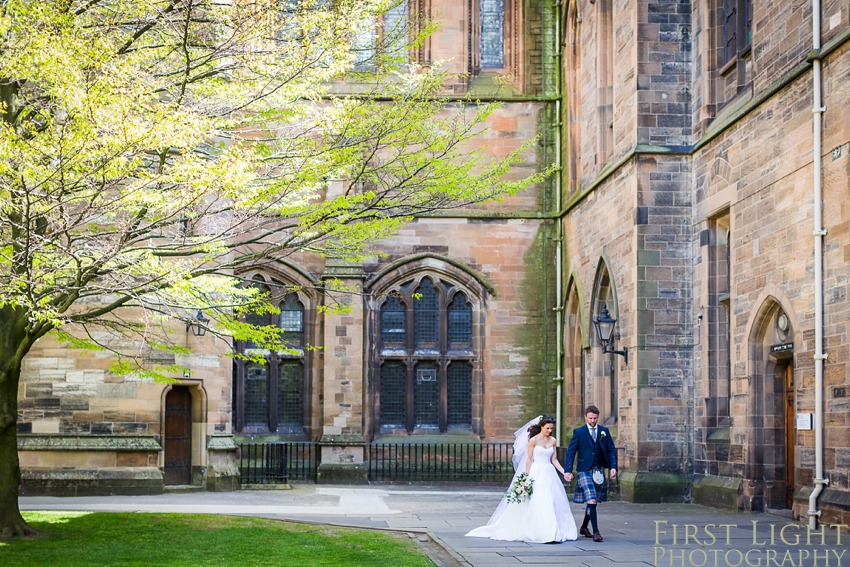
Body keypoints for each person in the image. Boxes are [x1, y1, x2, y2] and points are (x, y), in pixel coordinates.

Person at [466, 415, 578, 543]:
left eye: (551, 429)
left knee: (552, 500)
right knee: (538, 500)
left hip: (549, 472)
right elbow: (529, 459)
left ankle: (553, 530)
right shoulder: (533, 441)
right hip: (536, 472)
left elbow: (554, 460)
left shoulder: (552, 440)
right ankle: (541, 530)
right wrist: (525, 476)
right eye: (547, 428)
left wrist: (565, 472)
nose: (549, 431)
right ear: (542, 427)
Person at [563, 405, 618, 542]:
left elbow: (611, 449)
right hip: (584, 469)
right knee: (592, 499)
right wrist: (568, 470)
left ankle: (584, 527)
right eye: (591, 418)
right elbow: (571, 452)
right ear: (586, 417)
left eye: (595, 418)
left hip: (598, 470)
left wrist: (613, 467)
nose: (593, 420)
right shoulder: (579, 432)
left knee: (593, 502)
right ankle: (596, 532)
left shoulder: (604, 431)